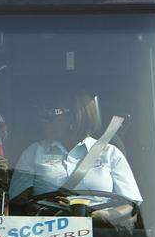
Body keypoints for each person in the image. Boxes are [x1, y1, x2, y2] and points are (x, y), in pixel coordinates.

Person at [8, 92, 142, 222]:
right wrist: (47, 208)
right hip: (47, 234)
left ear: (76, 117)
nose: (44, 119)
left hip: (102, 234)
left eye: (52, 113)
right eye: (43, 113)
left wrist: (105, 216)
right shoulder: (34, 152)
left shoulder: (110, 153)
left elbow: (131, 206)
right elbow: (18, 204)